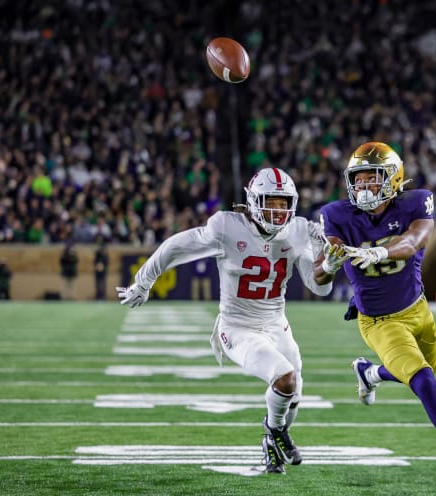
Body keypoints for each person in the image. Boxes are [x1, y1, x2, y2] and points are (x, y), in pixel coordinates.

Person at [313, 141, 436, 496]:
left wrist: (379, 251)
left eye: (372, 180)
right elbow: (319, 275)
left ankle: (370, 373)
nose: (363, 188)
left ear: (393, 180)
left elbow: (416, 240)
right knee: (425, 384)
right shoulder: (337, 214)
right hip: (379, 321)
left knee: (424, 372)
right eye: (357, 180)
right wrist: (328, 263)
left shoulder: (415, 201)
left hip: (419, 311)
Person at [116, 167, 331, 474]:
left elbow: (319, 287)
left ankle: (275, 433)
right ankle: (273, 433)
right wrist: (143, 282)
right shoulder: (227, 227)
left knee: (294, 393)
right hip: (238, 327)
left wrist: (327, 259)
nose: (278, 210)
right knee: (284, 379)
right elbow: (176, 247)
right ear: (255, 201)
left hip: (277, 324)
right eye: (271, 201)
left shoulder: (297, 230)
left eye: (284, 203)